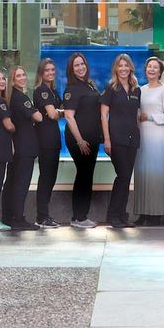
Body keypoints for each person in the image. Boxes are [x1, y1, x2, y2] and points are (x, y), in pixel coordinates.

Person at [100, 54, 142, 230]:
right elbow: (103, 115)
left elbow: (137, 114)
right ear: (116, 69)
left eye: (126, 65)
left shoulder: (136, 89)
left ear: (130, 68)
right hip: (116, 139)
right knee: (123, 176)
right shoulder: (111, 88)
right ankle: (113, 215)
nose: (123, 68)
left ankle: (122, 215)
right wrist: (107, 139)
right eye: (120, 66)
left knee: (126, 178)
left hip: (133, 139)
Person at [61, 54, 103, 228]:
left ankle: (80, 216)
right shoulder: (72, 89)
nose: (80, 68)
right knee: (83, 176)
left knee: (86, 176)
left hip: (91, 139)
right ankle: (79, 217)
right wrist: (80, 140)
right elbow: (69, 117)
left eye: (82, 64)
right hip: (80, 141)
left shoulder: (89, 85)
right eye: (76, 65)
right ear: (71, 69)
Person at [134, 57, 164, 226]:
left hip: (158, 137)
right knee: (142, 174)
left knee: (157, 176)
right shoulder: (140, 90)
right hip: (142, 136)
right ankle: (143, 212)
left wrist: (149, 117)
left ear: (160, 71)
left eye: (155, 67)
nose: (151, 69)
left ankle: (156, 214)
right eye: (149, 66)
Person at [4, 66, 40, 231]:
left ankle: (9, 216)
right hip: (25, 146)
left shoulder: (11, 97)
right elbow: (37, 117)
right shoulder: (21, 97)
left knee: (12, 182)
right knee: (22, 183)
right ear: (12, 79)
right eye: (18, 75)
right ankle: (18, 218)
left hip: (17, 146)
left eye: (23, 74)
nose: (22, 77)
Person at [32, 59, 63, 228]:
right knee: (46, 178)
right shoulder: (42, 91)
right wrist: (68, 112)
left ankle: (45, 215)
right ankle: (42, 217)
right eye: (47, 70)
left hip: (53, 139)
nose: (50, 73)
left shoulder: (53, 91)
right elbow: (52, 114)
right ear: (41, 73)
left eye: (52, 70)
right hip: (45, 140)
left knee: (51, 178)